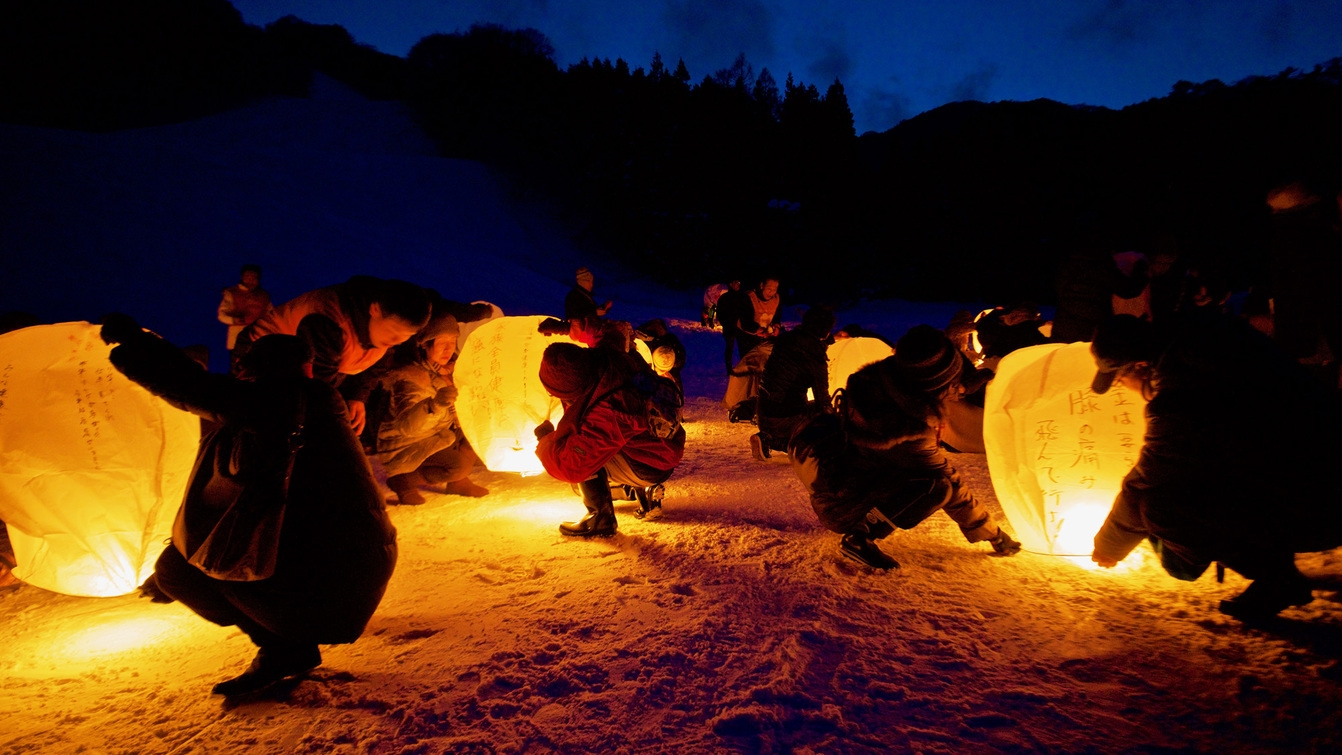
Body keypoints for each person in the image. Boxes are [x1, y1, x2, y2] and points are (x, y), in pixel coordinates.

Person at [99, 316, 397, 696]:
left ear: (254, 371)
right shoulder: (299, 408)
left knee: (180, 571)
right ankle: (284, 649)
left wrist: (132, 344)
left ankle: (285, 649)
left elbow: (191, 386)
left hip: (336, 576)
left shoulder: (284, 406)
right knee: (177, 568)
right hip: (342, 563)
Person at [1088, 314, 1342, 620]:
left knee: (1161, 506)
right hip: (1317, 478)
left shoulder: (1183, 395)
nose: (1122, 388)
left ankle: (1279, 580)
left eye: (1118, 380)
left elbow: (1148, 478)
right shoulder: (1213, 344)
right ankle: (1277, 576)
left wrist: (1109, 546)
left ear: (1141, 367)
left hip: (1321, 500)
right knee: (1226, 481)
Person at [789, 325, 1021, 570]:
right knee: (937, 487)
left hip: (836, 480)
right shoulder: (906, 430)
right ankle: (860, 537)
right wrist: (993, 533)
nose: (957, 390)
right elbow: (951, 483)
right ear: (936, 386)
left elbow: (933, 372)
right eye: (953, 384)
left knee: (925, 478)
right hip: (843, 504)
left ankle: (864, 525)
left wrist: (969, 382)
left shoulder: (882, 380)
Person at [235, 275, 431, 436]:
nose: (397, 340)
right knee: (263, 423)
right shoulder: (328, 322)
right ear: (375, 309)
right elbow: (317, 385)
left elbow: (376, 364)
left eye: (406, 336)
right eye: (395, 331)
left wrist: (357, 397)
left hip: (312, 371)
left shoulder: (383, 333)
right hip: (263, 355)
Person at [535, 342, 686, 534]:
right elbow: (610, 332)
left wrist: (545, 439)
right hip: (659, 448)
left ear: (569, 391)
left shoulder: (607, 409)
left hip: (650, 463)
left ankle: (600, 518)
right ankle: (637, 491)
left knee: (577, 455)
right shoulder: (610, 358)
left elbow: (572, 466)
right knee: (604, 443)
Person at [374, 313, 487, 506]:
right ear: (424, 344)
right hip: (407, 443)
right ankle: (403, 480)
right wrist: (433, 405)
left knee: (479, 436)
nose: (448, 348)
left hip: (437, 432)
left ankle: (457, 483)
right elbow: (407, 427)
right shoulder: (410, 376)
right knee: (458, 465)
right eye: (441, 342)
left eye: (452, 341)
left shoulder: (447, 371)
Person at [751, 306, 835, 460]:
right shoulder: (815, 356)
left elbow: (804, 345)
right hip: (783, 418)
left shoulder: (786, 340)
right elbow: (822, 399)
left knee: (804, 405)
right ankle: (778, 442)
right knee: (821, 428)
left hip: (763, 411)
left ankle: (768, 437)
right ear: (824, 330)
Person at [217, 264, 273, 368]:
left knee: (259, 367)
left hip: (259, 336)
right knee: (238, 367)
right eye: (247, 276)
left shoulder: (264, 295)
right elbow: (222, 314)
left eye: (253, 277)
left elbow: (271, 314)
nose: (250, 280)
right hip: (237, 338)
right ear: (242, 277)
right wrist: (234, 320)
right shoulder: (232, 292)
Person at [736, 277, 782, 357]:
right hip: (746, 337)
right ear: (761, 286)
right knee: (749, 361)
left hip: (764, 336)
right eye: (769, 289)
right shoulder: (749, 297)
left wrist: (776, 326)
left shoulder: (776, 299)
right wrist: (758, 330)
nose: (771, 293)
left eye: (774, 289)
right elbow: (745, 321)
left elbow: (777, 316)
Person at [716, 279, 749, 374]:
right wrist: (726, 323)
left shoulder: (742, 297)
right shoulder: (724, 298)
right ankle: (729, 368)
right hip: (729, 327)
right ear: (730, 284)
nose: (738, 284)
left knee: (743, 348)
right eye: (736, 283)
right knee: (730, 348)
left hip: (741, 327)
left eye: (739, 282)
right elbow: (720, 312)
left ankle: (744, 367)